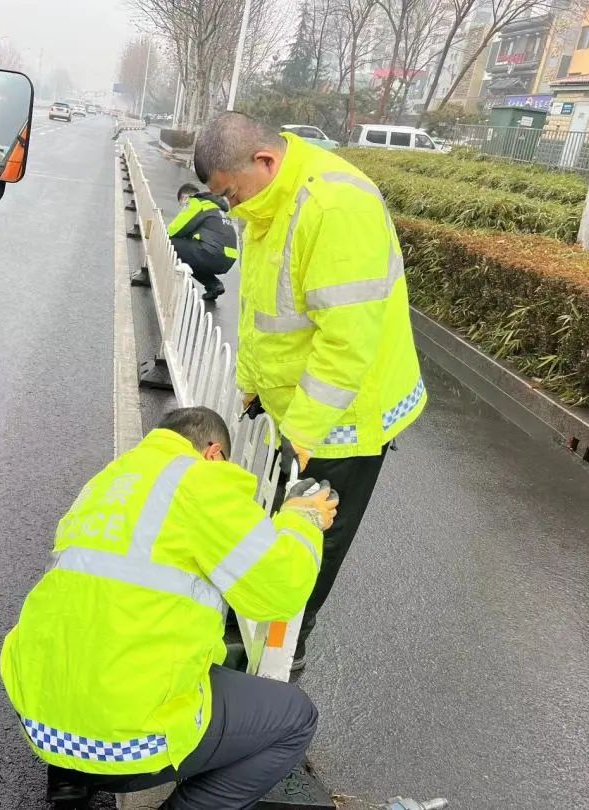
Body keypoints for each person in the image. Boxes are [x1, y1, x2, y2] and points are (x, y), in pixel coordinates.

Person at [0, 407, 338, 810]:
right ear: (214, 453)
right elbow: (278, 591)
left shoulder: (109, 481)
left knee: (89, 630)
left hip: (38, 719)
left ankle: (70, 782)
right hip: (125, 744)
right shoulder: (200, 480)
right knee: (294, 720)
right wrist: (302, 520)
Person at [193, 112, 427, 676]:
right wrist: (252, 383)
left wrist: (301, 433)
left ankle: (282, 658)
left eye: (231, 193)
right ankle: (253, 635)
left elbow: (347, 344)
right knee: (281, 526)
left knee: (313, 543)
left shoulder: (334, 208)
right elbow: (260, 310)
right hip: (299, 412)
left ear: (265, 161)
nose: (231, 207)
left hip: (344, 419)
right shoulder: (271, 202)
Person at [166, 183, 238, 301]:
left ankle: (186, 287)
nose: (183, 207)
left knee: (170, 243)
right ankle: (214, 285)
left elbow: (174, 230)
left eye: (182, 203)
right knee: (192, 254)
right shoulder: (216, 208)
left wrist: (159, 235)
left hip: (211, 253)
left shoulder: (196, 202)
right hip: (227, 258)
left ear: (185, 197)